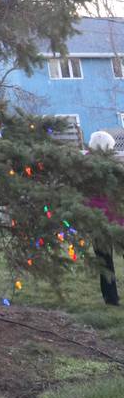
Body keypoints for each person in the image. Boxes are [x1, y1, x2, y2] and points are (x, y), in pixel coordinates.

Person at [86, 130, 124, 307]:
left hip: (95, 221)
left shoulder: (81, 165)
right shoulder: (113, 166)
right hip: (117, 220)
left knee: (104, 261)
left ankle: (111, 299)